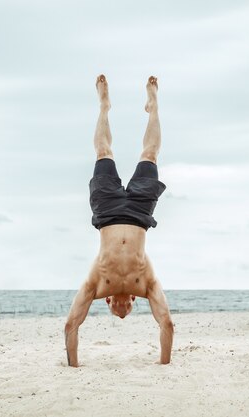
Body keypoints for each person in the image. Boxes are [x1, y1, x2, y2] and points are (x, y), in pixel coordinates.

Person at [64, 74, 174, 367]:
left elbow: (70, 325)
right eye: (127, 307)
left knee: (103, 152)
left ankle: (103, 106)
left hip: (107, 212)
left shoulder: (98, 284)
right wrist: (165, 364)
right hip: (138, 213)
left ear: (108, 301)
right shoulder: (144, 283)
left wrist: (73, 366)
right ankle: (152, 106)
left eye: (118, 307)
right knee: (150, 155)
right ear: (134, 301)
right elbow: (167, 323)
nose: (123, 304)